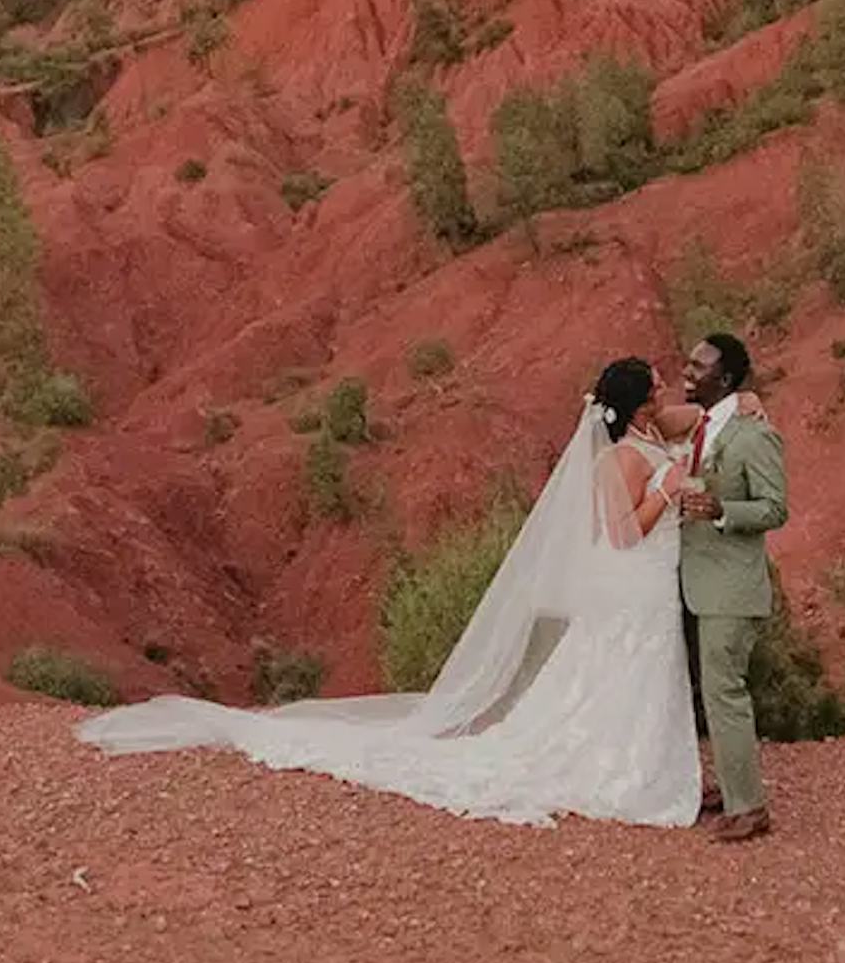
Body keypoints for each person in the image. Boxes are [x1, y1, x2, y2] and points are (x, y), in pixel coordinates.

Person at [76, 359, 708, 827]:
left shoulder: (643, 439)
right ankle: (618, 764)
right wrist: (669, 488)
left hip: (645, 586)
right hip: (633, 579)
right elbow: (623, 535)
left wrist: (734, 406)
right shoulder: (620, 461)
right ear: (638, 406)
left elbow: (688, 417)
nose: (666, 387)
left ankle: (637, 753)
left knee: (623, 671)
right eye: (655, 383)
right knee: (623, 667)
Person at [673, 330, 787, 844]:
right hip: (701, 583)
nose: (688, 373)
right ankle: (731, 783)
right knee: (714, 692)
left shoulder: (753, 434)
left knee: (726, 693)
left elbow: (775, 507)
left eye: (699, 368)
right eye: (689, 364)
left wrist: (723, 512)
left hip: (733, 590)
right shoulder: (704, 425)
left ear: (726, 377)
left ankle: (749, 808)